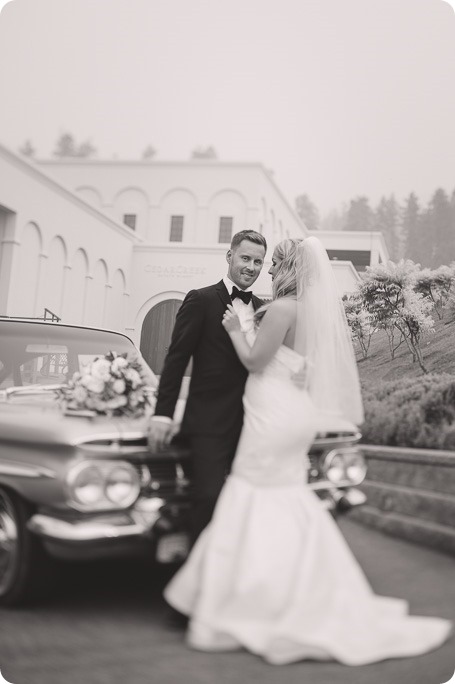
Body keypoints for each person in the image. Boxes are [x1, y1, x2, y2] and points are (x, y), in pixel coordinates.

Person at [163, 236, 452, 665]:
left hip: (270, 418)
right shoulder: (309, 313)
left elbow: (256, 361)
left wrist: (236, 327)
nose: (269, 270)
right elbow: (299, 365)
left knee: (249, 494)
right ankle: (279, 590)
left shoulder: (280, 308)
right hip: (292, 413)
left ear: (287, 268)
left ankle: (242, 598)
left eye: (273, 263)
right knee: (285, 500)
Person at [148, 229, 267, 545]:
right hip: (208, 424)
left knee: (244, 503)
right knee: (209, 497)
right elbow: (176, 359)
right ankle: (197, 574)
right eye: (245, 258)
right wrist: (162, 414)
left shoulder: (263, 309)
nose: (251, 267)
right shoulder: (200, 300)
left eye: (258, 261)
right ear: (229, 256)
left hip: (252, 425)